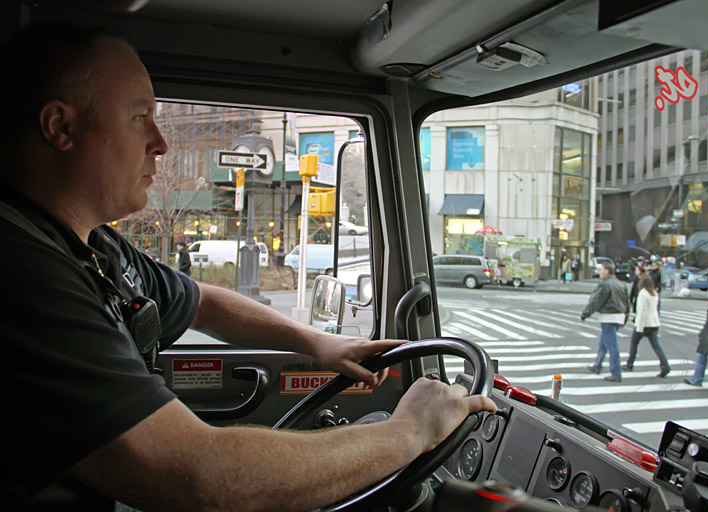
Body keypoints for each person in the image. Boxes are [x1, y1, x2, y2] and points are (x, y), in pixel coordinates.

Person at [0, 23, 497, 511]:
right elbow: (201, 478)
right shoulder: (24, 273)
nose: (160, 142)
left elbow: (204, 303)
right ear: (60, 127)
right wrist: (411, 431)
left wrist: (319, 342)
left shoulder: (92, 247)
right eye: (139, 117)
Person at [581, 262, 630, 382]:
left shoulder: (605, 285)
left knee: (612, 346)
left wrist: (585, 314)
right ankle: (597, 366)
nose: (599, 272)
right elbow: (626, 303)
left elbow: (596, 301)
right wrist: (626, 317)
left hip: (609, 317)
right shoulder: (621, 284)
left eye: (601, 270)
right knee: (603, 343)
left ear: (607, 271)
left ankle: (616, 373)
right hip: (619, 316)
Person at [622, 273, 671, 377]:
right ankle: (665, 365)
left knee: (634, 343)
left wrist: (639, 327)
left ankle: (630, 364)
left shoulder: (643, 293)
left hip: (644, 323)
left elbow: (642, 311)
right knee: (656, 346)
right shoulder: (654, 293)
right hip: (654, 322)